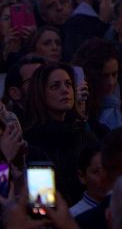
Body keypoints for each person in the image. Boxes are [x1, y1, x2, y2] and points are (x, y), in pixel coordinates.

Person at [21, 61, 97, 202]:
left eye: (68, 84)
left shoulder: (83, 134)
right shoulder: (31, 142)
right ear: (41, 93)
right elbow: (42, 200)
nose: (65, 90)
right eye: (55, 86)